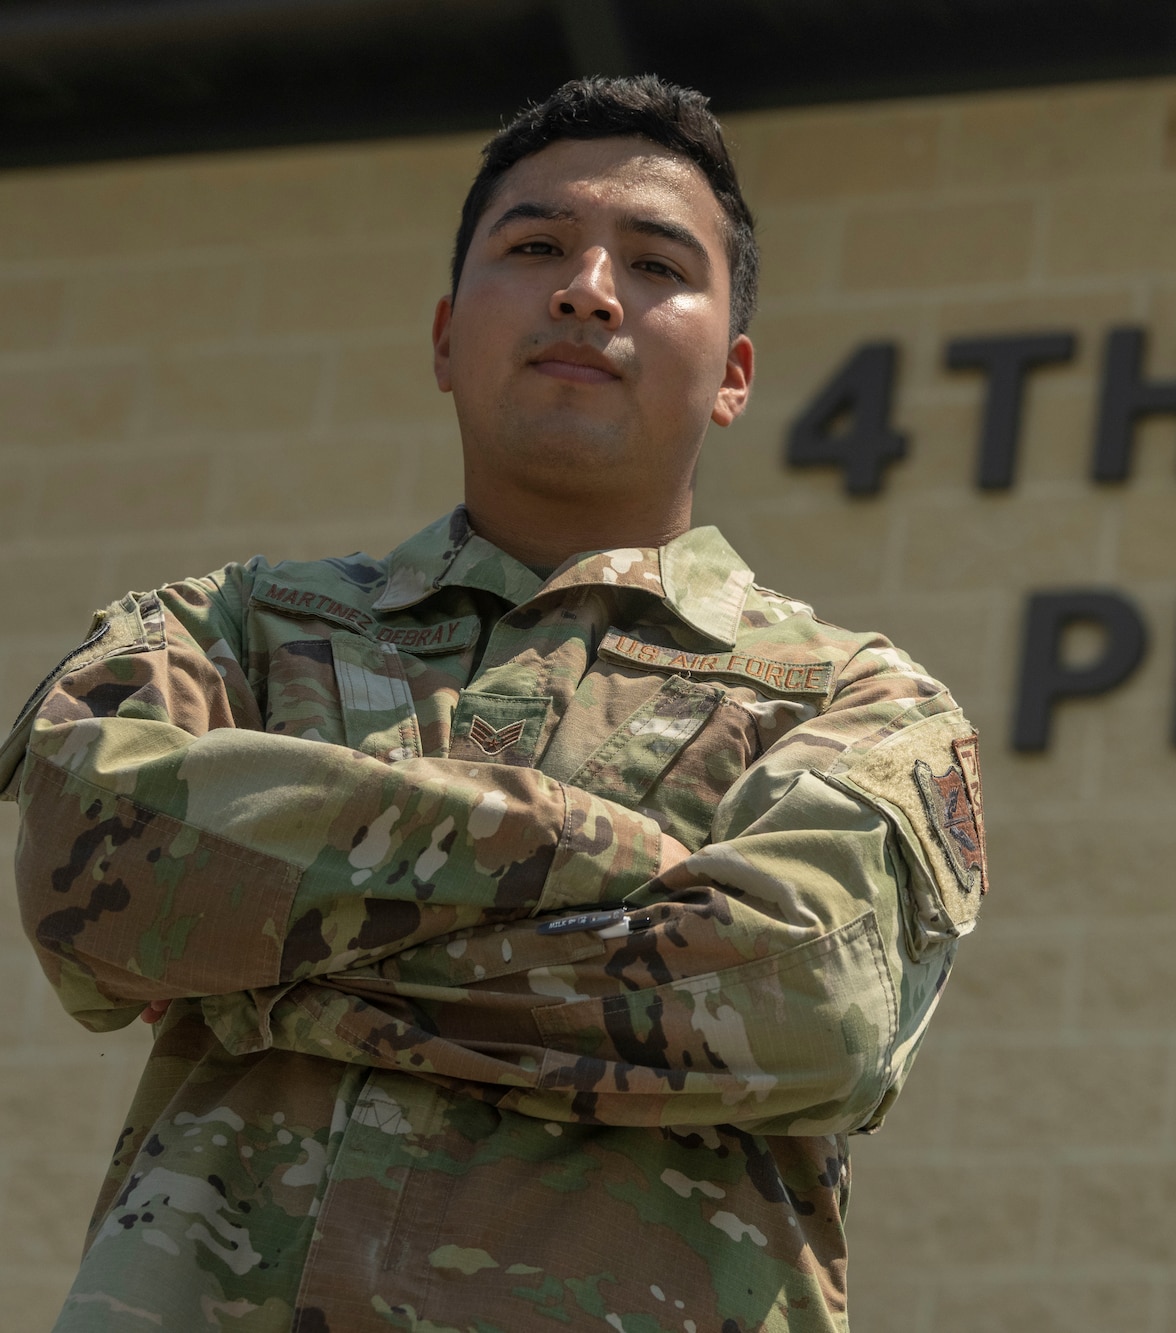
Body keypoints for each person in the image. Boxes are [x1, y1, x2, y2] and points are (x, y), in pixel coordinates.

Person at [0, 75, 985, 1333]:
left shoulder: (856, 700)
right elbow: (95, 869)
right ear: (443, 335)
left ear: (733, 374)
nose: (587, 288)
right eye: (534, 248)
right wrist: (602, 858)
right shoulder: (230, 627)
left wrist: (264, 974)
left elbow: (805, 996)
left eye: (654, 265)